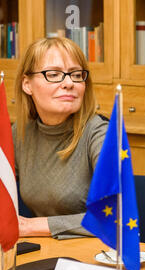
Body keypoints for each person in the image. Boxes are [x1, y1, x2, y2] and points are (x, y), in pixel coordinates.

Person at [12, 37, 108, 239]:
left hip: (95, 254)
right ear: (27, 84)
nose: (69, 83)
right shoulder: (20, 133)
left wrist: (31, 227)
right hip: (44, 251)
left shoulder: (102, 134)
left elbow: (114, 217)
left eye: (76, 74)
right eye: (54, 74)